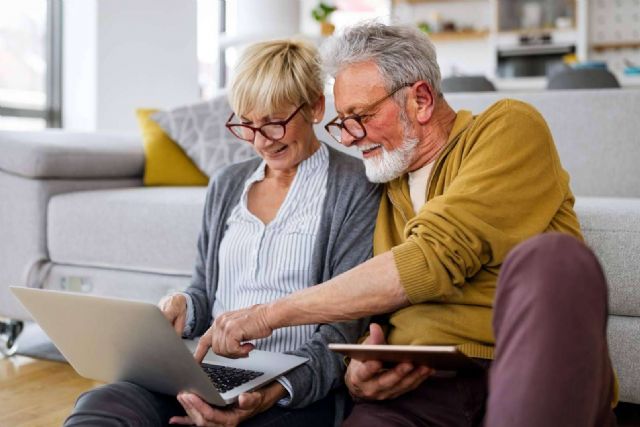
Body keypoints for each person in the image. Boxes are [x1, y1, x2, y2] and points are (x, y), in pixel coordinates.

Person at [206, 23, 618, 426]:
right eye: (342, 122)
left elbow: (434, 257)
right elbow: (364, 307)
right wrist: (357, 372)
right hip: (415, 392)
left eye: (360, 117)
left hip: (515, 369)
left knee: (554, 258)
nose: (348, 138)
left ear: (420, 100)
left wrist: (266, 316)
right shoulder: (382, 183)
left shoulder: (508, 126)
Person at [64, 39, 380, 427]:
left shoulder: (356, 187)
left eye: (275, 122)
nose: (261, 141)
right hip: (205, 374)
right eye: (248, 124)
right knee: (104, 405)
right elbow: (203, 292)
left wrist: (268, 394)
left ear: (315, 106)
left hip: (291, 390)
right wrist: (182, 304)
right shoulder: (227, 184)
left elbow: (342, 328)